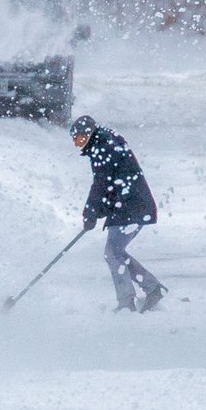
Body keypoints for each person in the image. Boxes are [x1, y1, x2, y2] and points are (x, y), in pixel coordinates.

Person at [72, 114, 165, 312]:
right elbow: (109, 183)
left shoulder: (103, 147)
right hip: (131, 205)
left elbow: (102, 184)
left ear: (89, 134)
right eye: (75, 141)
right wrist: (97, 211)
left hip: (130, 205)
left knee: (113, 253)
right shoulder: (105, 143)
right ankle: (152, 288)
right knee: (116, 252)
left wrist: (90, 213)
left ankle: (127, 302)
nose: (78, 145)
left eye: (80, 139)